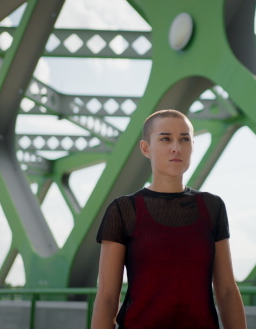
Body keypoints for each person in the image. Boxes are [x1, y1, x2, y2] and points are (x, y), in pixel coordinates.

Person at [92, 109, 247, 329]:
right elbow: (107, 298)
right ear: (146, 148)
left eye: (184, 139)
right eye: (165, 139)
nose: (176, 147)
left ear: (192, 146)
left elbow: (227, 290)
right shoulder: (124, 210)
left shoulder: (212, 207)